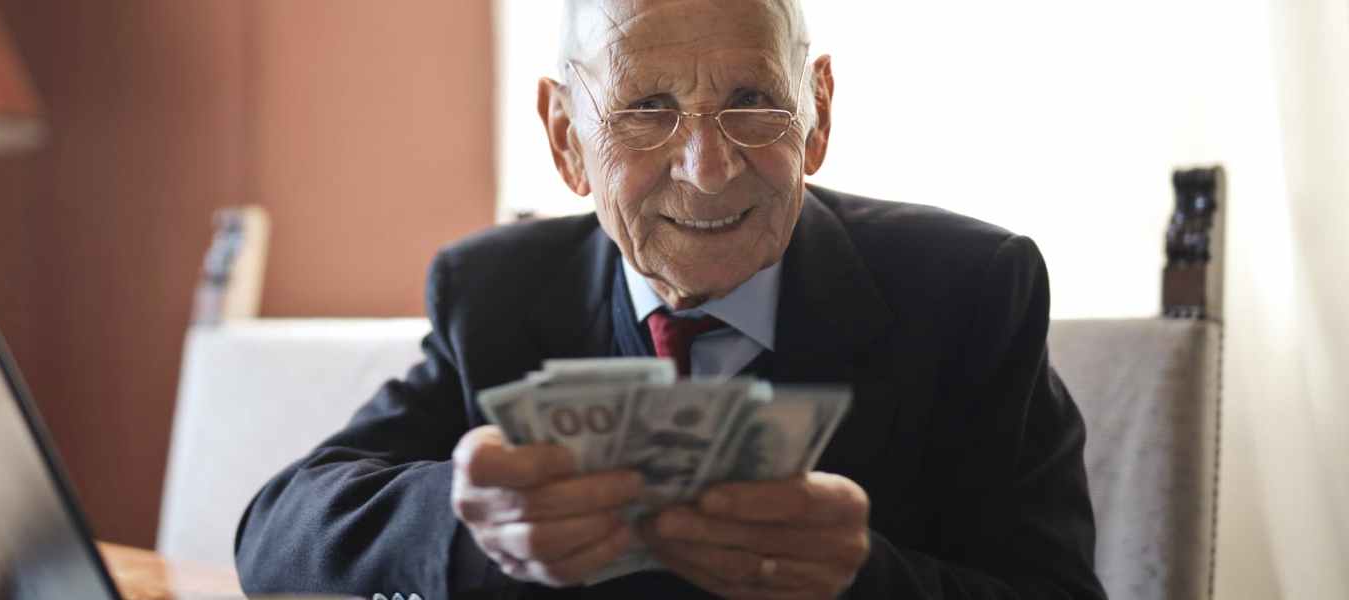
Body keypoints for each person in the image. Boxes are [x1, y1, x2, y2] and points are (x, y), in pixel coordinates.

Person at [235, 0, 1106, 598]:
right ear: (566, 139)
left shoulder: (971, 292)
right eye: (646, 109)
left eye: (753, 102)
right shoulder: (497, 295)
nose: (708, 167)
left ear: (818, 114)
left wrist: (863, 580)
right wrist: (472, 531)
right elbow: (278, 531)